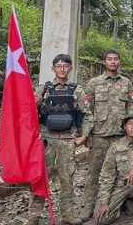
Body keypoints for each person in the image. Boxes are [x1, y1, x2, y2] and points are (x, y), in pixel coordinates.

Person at [27, 54, 91, 225]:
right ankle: (33, 216)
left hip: (68, 140)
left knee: (67, 179)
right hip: (46, 140)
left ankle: (67, 215)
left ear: (70, 68)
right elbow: (29, 111)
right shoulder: (43, 89)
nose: (62, 69)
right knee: (40, 179)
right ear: (53, 68)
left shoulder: (77, 90)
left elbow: (87, 115)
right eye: (59, 66)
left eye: (65, 66)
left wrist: (83, 136)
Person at [79, 50, 133, 222]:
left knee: (123, 172)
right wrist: (86, 134)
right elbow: (86, 111)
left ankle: (124, 204)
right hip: (99, 136)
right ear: (104, 62)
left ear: (119, 62)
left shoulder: (127, 83)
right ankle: (88, 208)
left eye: (116, 59)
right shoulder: (94, 83)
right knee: (94, 174)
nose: (113, 62)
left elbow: (131, 109)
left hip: (120, 137)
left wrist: (131, 133)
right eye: (109, 59)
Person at [92, 110, 133, 225]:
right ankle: (127, 202)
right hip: (120, 186)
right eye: (129, 124)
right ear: (124, 127)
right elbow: (107, 175)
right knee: (102, 221)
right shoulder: (115, 146)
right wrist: (104, 202)